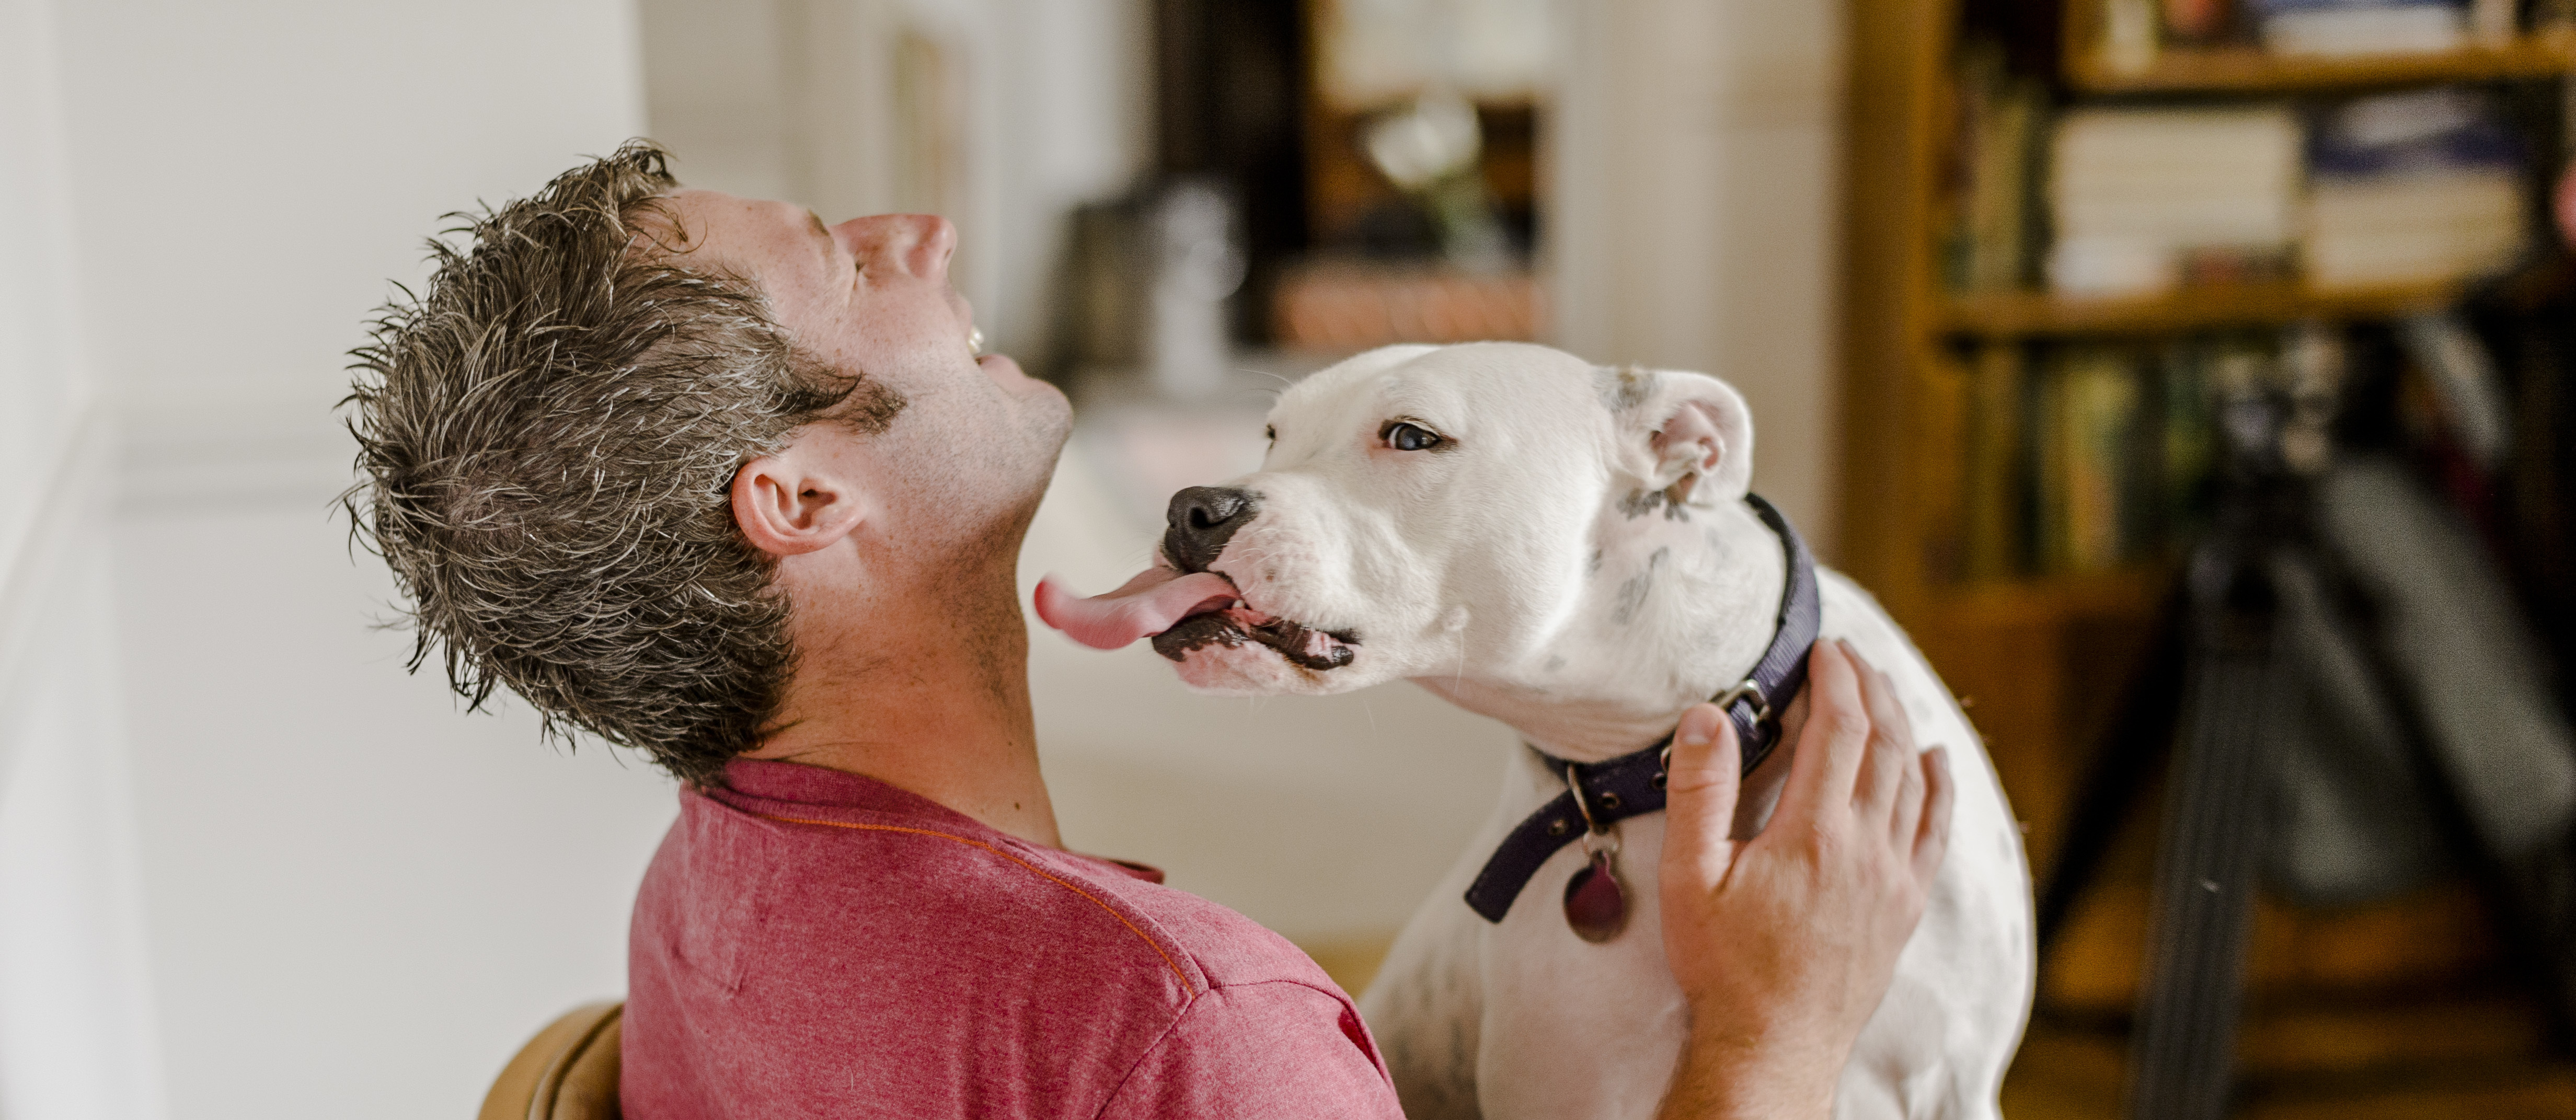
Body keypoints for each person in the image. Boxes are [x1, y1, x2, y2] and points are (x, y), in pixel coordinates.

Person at [345, 141, 1953, 1119]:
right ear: (802, 504)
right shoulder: (1185, 1039)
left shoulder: (698, 897)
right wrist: (1778, 1026)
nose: (929, 234)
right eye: (847, 261)